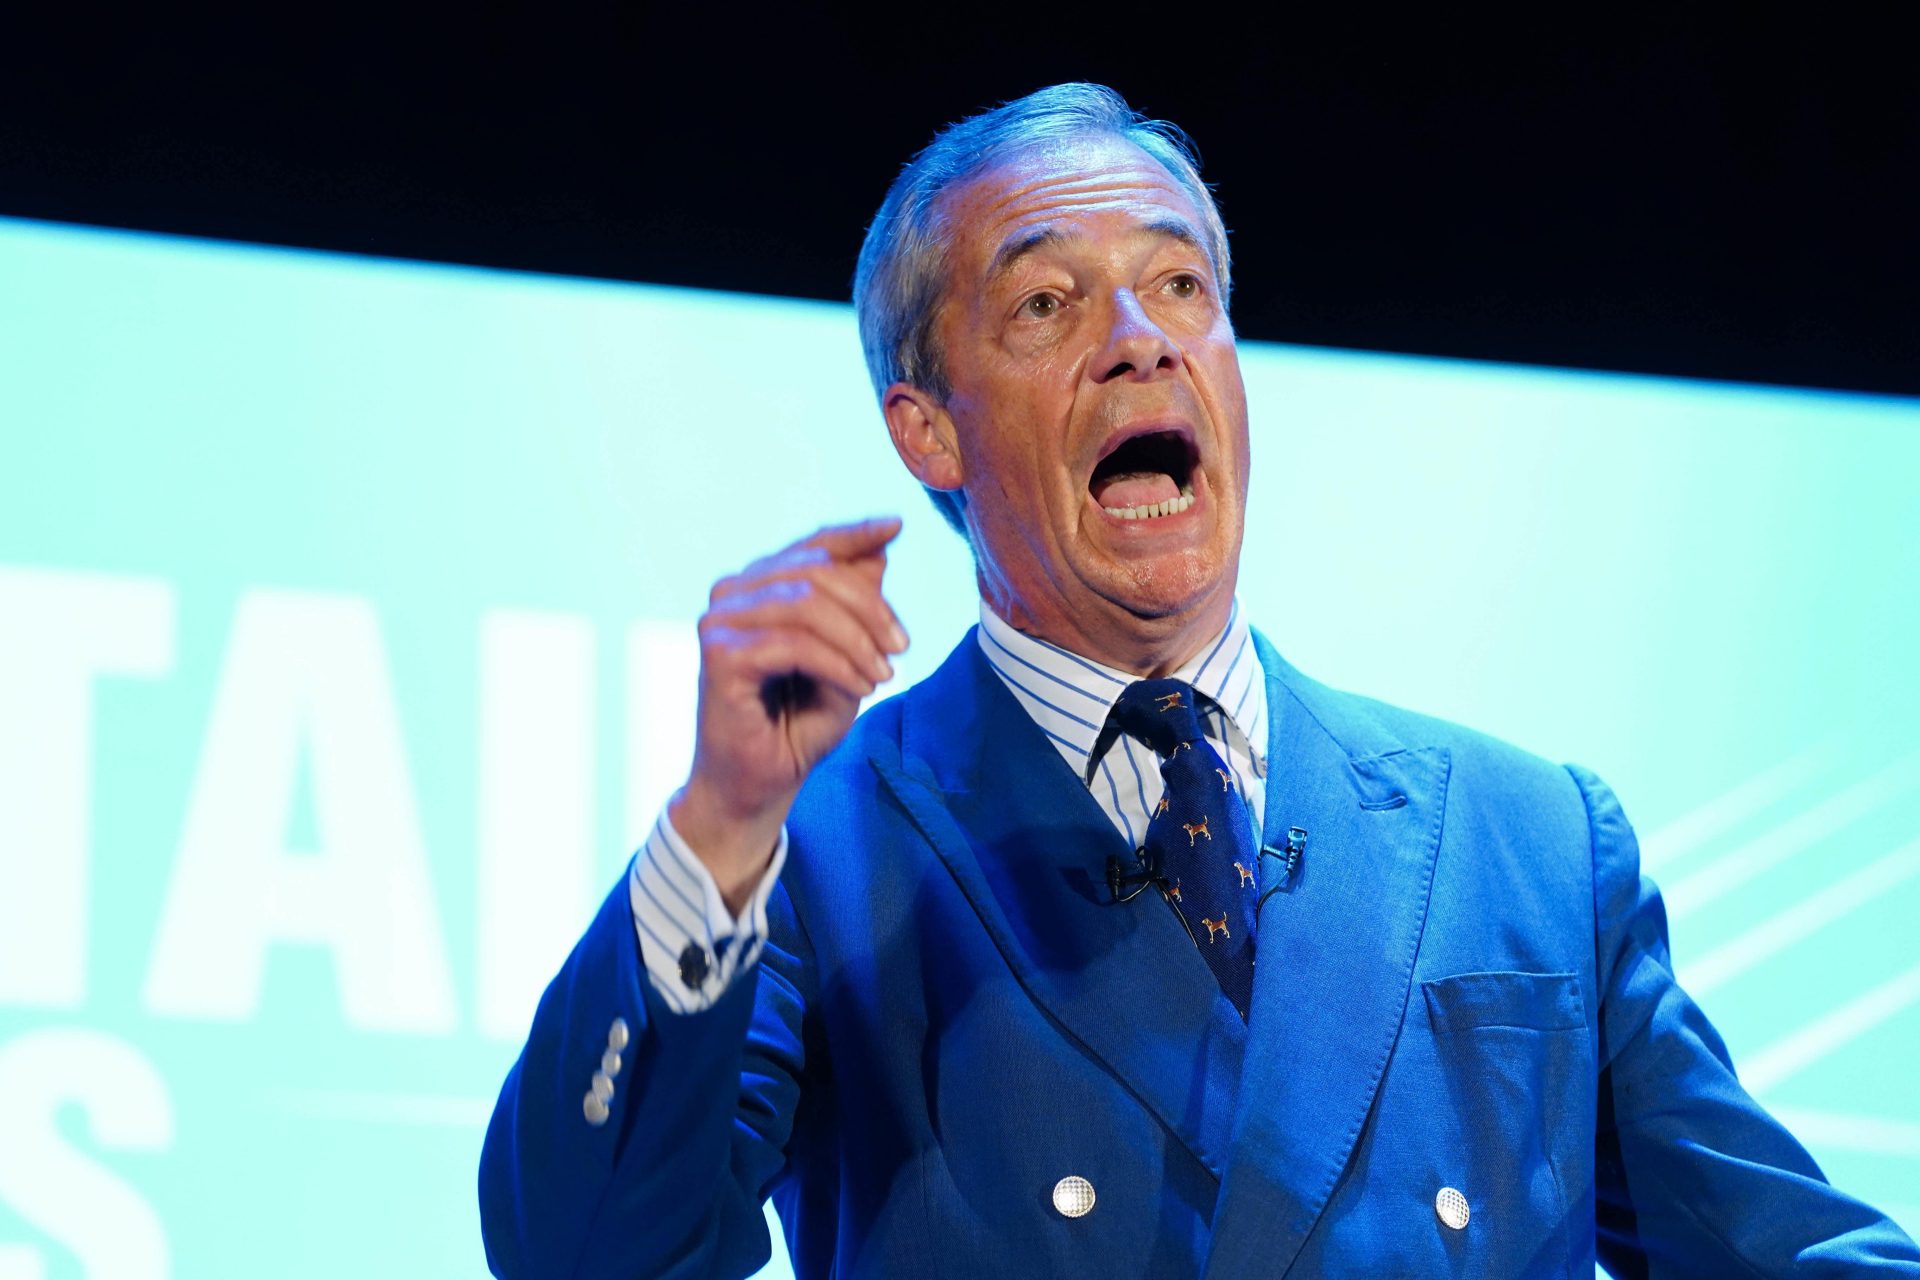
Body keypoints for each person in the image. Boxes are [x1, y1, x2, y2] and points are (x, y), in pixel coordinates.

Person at [479, 83, 1920, 1278]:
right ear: (928, 431)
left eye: (1181, 286)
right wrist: (724, 825)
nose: (1139, 340)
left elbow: (1782, 1250)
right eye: (1047, 303)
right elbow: (582, 1254)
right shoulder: (816, 856)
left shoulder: (1529, 837)